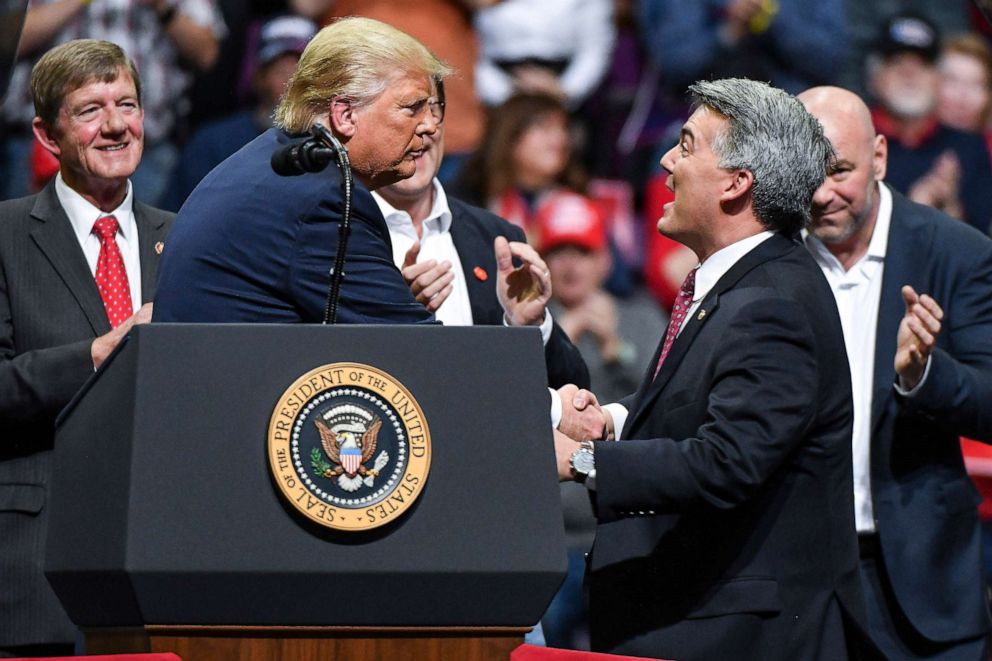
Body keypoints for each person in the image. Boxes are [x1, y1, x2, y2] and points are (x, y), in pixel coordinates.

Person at [553, 78, 868, 659]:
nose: (668, 162)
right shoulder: (738, 285)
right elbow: (698, 412)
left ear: (736, 183)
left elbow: (729, 460)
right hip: (693, 616)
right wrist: (613, 423)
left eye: (688, 144)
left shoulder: (774, 300)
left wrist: (581, 460)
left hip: (734, 634)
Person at [800, 85, 992, 659]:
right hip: (800, 583)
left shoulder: (957, 253)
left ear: (880, 157)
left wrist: (923, 373)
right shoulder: (769, 255)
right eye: (807, 173)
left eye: (839, 171)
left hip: (924, 589)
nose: (821, 193)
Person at [0, 39, 172, 656]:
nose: (116, 125)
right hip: (33, 568)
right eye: (91, 110)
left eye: (127, 104)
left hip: (166, 562)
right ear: (47, 136)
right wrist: (99, 355)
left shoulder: (185, 240)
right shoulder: (5, 234)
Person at [153, 17, 447, 324]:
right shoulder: (323, 201)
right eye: (413, 107)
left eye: (432, 108)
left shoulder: (274, 159)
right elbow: (415, 351)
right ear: (345, 115)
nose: (431, 124)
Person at [373, 119, 590, 390]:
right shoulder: (335, 234)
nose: (422, 127)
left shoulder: (497, 237)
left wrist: (528, 326)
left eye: (430, 108)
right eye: (406, 110)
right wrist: (396, 316)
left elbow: (572, 384)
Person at [1, 0, 226, 205]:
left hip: (144, 151)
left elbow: (207, 54)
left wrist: (161, 6)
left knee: (142, 245)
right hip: (46, 147)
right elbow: (7, 41)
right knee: (32, 243)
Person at [162, 14, 318, 212]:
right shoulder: (213, 145)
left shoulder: (332, 148)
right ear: (258, 77)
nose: (292, 85)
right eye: (282, 72)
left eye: (302, 73)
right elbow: (175, 219)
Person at [867, 12, 992, 233]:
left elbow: (982, 249)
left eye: (922, 63)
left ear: (938, 79)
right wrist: (914, 212)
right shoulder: (856, 140)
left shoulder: (969, 147)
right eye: (897, 62)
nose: (909, 74)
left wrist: (951, 211)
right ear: (875, 77)